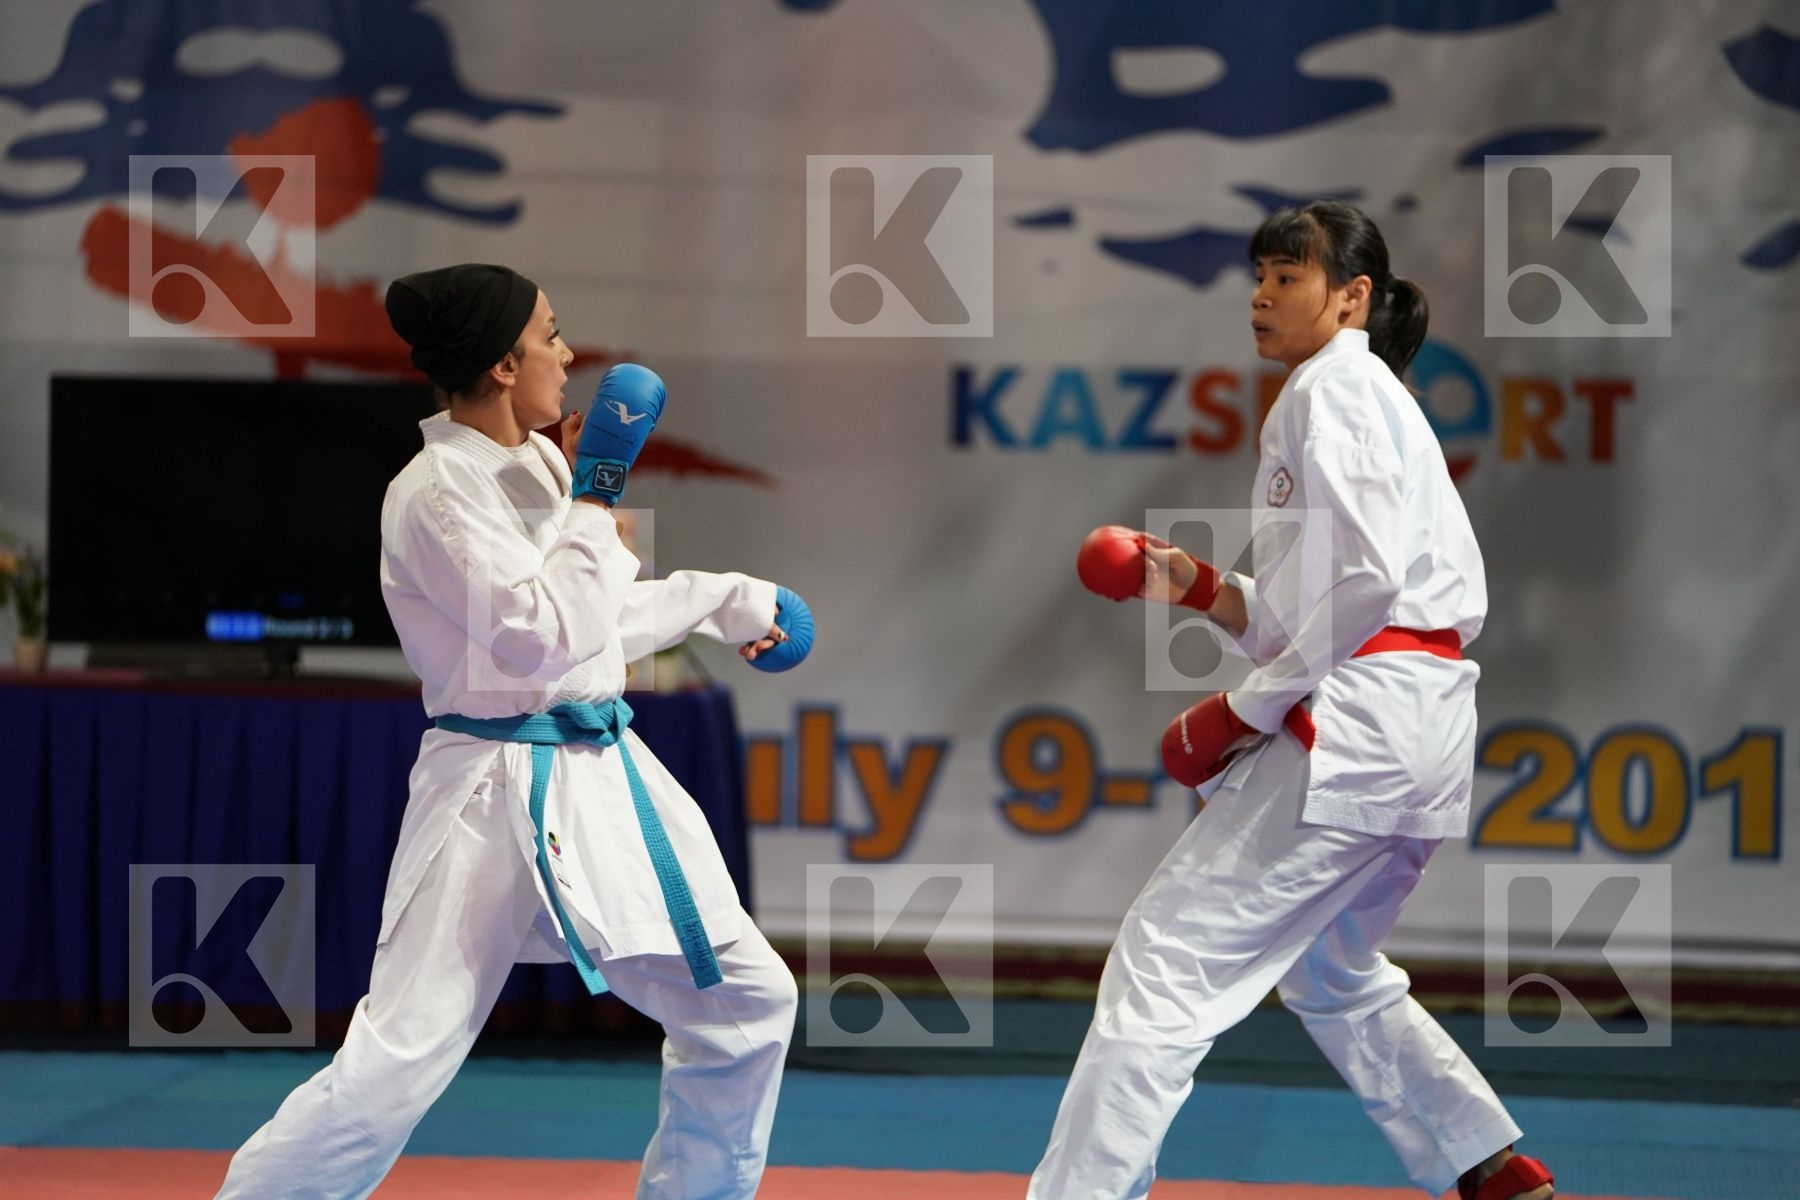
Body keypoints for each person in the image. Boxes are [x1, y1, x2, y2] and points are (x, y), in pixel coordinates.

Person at [217, 263, 811, 1200]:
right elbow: (539, 639)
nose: (569, 355)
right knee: (396, 1065)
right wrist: (600, 491)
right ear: (502, 363)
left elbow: (592, 640)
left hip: (597, 778)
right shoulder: (434, 493)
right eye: (550, 335)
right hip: (489, 793)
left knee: (746, 1005)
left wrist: (725, 600)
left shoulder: (538, 464)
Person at [1050, 204, 1554, 1200]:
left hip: (1355, 725)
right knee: (1330, 966)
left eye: (1290, 275)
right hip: (1416, 728)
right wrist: (1194, 585)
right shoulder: (1356, 395)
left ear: (1353, 295)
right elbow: (1320, 602)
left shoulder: (1333, 388)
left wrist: (1245, 711)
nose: (1263, 294)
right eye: (1260, 275)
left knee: (1166, 962)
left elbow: (1364, 582)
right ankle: (1484, 1162)